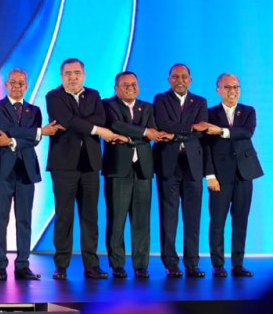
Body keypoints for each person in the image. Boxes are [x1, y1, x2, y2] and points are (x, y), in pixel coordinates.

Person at [45, 58, 123, 280]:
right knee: (64, 216)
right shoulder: (54, 96)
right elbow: (67, 120)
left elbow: (99, 118)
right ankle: (61, 265)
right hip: (63, 165)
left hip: (90, 164)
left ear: (84, 75)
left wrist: (80, 122)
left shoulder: (94, 95)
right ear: (61, 76)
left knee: (90, 216)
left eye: (77, 73)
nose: (73, 77)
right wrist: (95, 129)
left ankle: (92, 265)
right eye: (68, 73)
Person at [0, 68, 61, 281]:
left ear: (26, 86)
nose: (17, 86)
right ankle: (0, 265)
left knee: (24, 219)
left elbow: (33, 140)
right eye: (13, 82)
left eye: (21, 83)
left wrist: (13, 141)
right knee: (0, 219)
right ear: (6, 85)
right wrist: (39, 131)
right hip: (1, 169)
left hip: (26, 169)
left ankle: (22, 265)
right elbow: (6, 128)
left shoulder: (34, 111)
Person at [102, 71, 166, 279]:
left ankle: (141, 265)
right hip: (118, 169)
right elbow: (116, 126)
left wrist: (129, 138)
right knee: (117, 219)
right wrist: (143, 133)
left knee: (141, 221)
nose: (130, 87)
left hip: (143, 169)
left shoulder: (147, 107)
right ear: (116, 88)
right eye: (125, 84)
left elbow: (154, 132)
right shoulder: (108, 105)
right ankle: (117, 264)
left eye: (134, 84)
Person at [203, 73, 264, 277]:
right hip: (220, 176)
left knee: (241, 220)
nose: (233, 91)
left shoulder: (248, 111)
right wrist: (209, 175)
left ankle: (238, 264)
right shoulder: (209, 114)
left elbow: (246, 133)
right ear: (218, 90)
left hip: (245, 173)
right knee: (217, 221)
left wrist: (221, 131)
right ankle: (218, 264)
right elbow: (206, 147)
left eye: (236, 87)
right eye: (228, 87)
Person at [152, 63, 209, 278]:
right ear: (169, 79)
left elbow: (202, 131)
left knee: (193, 217)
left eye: (184, 77)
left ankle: (192, 263)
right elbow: (163, 124)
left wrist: (175, 134)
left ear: (190, 80)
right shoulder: (160, 99)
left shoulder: (200, 102)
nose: (180, 80)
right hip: (168, 164)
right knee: (169, 216)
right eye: (175, 76)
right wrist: (191, 128)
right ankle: (171, 263)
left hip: (193, 166)